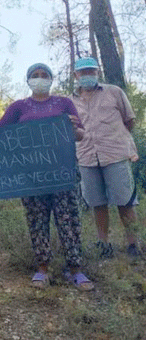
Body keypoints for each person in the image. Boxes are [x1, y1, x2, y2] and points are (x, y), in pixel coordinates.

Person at [0, 63, 92, 290]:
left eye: (44, 75)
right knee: (37, 221)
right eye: (35, 75)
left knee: (68, 219)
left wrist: (70, 128)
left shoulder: (64, 103)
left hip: (63, 172)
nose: (40, 79)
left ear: (51, 79)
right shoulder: (18, 107)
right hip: (31, 176)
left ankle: (76, 270)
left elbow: (81, 134)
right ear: (28, 80)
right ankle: (42, 269)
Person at [70, 57, 142, 258]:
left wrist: (117, 141)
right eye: (82, 72)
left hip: (115, 156)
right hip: (86, 158)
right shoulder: (70, 101)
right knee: (97, 203)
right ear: (76, 75)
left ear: (97, 72)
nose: (87, 76)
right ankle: (104, 244)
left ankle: (134, 244)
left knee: (125, 202)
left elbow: (129, 120)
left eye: (91, 71)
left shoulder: (114, 92)